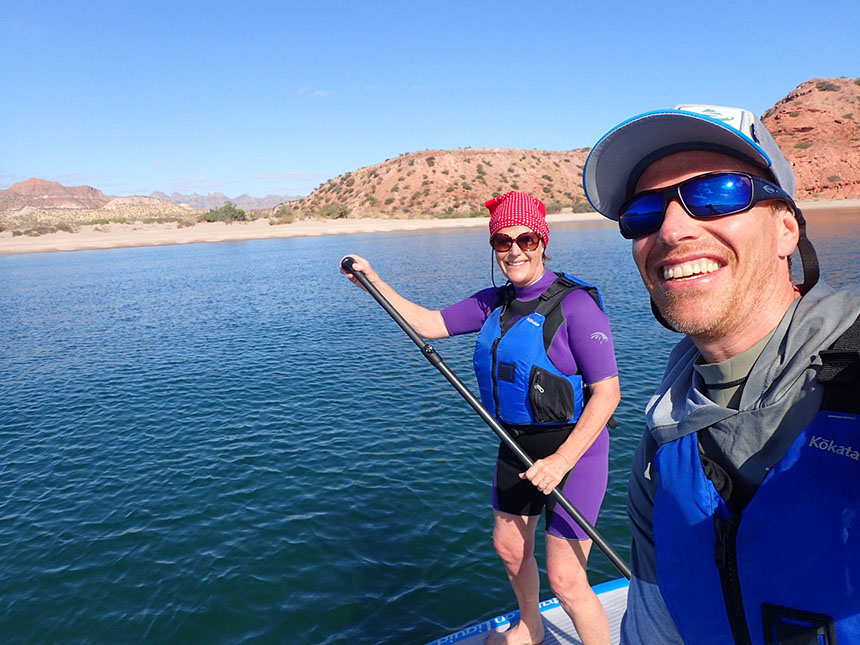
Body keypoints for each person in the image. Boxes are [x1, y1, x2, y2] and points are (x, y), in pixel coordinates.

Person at [582, 104, 860, 644]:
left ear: (786, 230)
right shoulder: (665, 434)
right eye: (643, 212)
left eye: (717, 194)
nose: (672, 228)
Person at [342, 191, 620, 645]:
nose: (515, 251)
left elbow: (608, 394)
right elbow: (429, 323)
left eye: (526, 239)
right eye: (503, 242)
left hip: (576, 450)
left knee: (567, 580)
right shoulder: (493, 301)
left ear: (542, 242)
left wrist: (562, 461)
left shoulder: (577, 306)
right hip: (515, 444)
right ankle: (530, 627)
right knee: (510, 550)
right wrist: (373, 282)